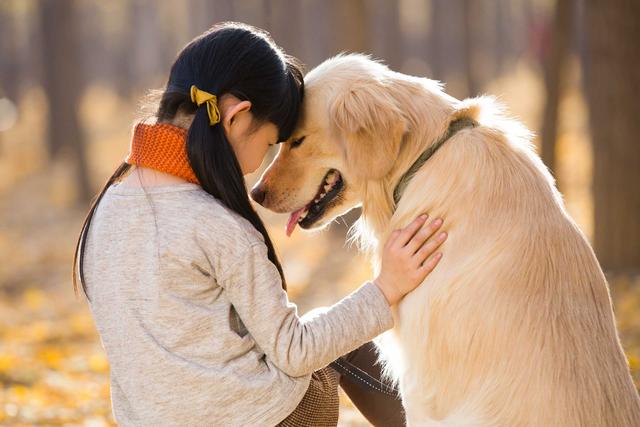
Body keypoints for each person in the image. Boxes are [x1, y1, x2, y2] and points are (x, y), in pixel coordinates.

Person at [72, 22, 447, 426]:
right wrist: (386, 287)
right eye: (269, 145)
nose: (260, 169)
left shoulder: (106, 208)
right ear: (237, 117)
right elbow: (295, 351)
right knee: (339, 338)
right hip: (271, 420)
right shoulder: (216, 225)